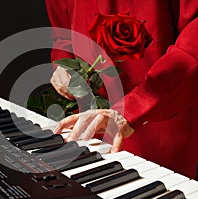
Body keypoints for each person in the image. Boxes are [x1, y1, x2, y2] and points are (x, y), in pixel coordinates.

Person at [45, 0, 198, 179]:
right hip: (86, 117)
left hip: (157, 118)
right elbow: (62, 26)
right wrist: (62, 62)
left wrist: (136, 107)